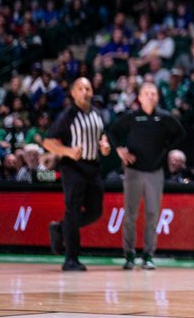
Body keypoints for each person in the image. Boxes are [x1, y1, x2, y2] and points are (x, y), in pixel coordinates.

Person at [108, 82, 185, 270]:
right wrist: (120, 151)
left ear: (157, 97)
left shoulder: (164, 117)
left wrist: (165, 149)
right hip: (133, 170)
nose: (151, 96)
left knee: (152, 215)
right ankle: (129, 254)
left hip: (155, 172)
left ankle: (148, 255)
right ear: (140, 98)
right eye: (147, 93)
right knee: (130, 214)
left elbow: (180, 133)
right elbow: (112, 131)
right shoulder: (132, 117)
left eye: (154, 93)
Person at [43, 77, 111, 271]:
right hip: (73, 168)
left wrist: (105, 147)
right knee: (72, 210)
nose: (85, 92)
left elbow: (102, 137)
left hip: (93, 167)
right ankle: (70, 259)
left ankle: (60, 229)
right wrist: (68, 151)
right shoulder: (68, 115)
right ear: (73, 93)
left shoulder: (97, 113)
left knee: (95, 211)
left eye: (88, 88)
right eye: (80, 88)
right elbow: (48, 142)